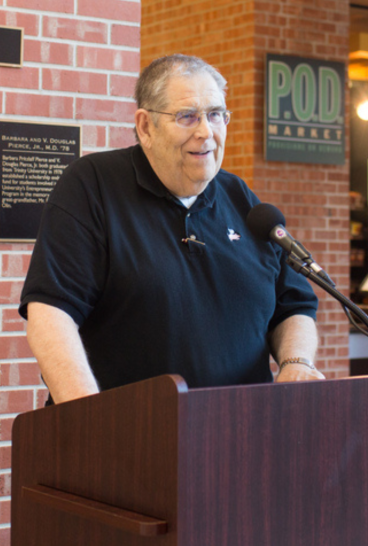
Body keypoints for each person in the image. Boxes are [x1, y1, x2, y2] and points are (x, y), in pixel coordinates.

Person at [19, 54, 324, 405]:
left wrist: (296, 362)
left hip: (240, 433)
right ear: (146, 127)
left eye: (215, 115)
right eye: (187, 116)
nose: (205, 131)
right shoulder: (93, 186)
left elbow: (293, 305)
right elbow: (50, 313)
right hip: (130, 437)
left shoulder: (243, 200)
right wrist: (90, 420)